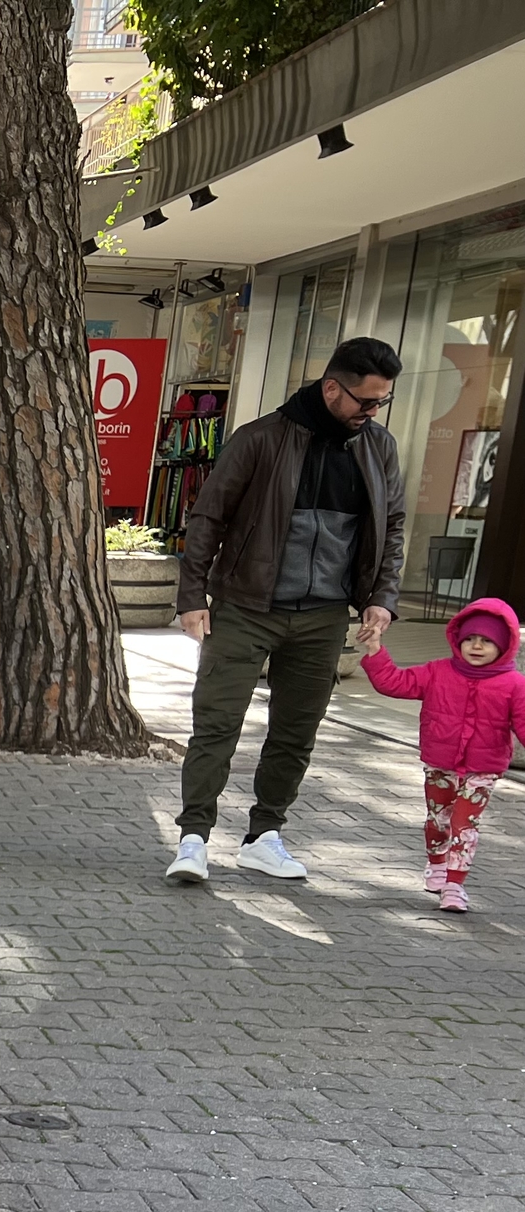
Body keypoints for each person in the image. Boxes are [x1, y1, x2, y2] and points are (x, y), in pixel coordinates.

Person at [164, 337, 408, 885]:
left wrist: (380, 600)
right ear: (331, 388)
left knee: (296, 732)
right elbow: (207, 518)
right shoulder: (261, 439)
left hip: (324, 616)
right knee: (217, 725)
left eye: (381, 403)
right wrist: (191, 597)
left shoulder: (378, 448)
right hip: (248, 607)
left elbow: (391, 528)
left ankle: (264, 836)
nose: (372, 413)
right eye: (365, 401)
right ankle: (193, 839)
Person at [354, 598, 525, 913]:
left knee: (464, 824)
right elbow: (395, 683)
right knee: (438, 820)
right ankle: (436, 863)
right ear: (458, 640)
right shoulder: (438, 671)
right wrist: (376, 650)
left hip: (482, 770)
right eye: (470, 638)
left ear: (504, 645)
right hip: (440, 764)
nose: (476, 646)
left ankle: (455, 885)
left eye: (487, 641)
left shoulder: (514, 684)